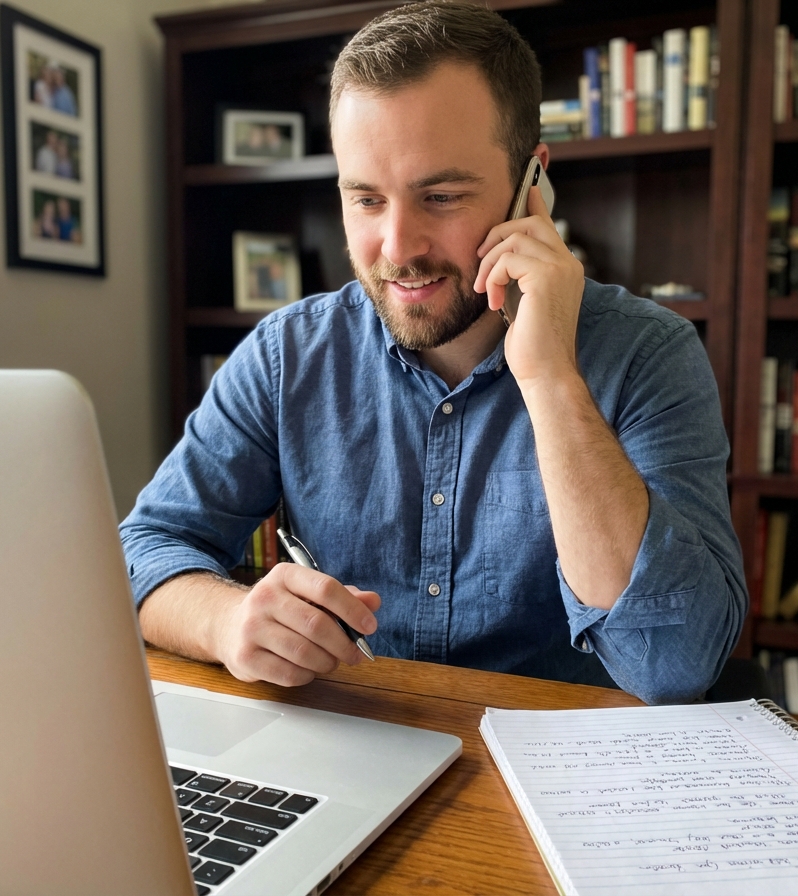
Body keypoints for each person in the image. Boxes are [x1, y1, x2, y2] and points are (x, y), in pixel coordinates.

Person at [121, 0, 746, 704]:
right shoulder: (286, 355)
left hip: (564, 761)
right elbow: (141, 551)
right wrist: (226, 619)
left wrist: (550, 379)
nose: (398, 248)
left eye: (441, 196)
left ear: (531, 185)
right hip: (363, 742)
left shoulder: (649, 353)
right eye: (366, 200)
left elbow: (675, 666)